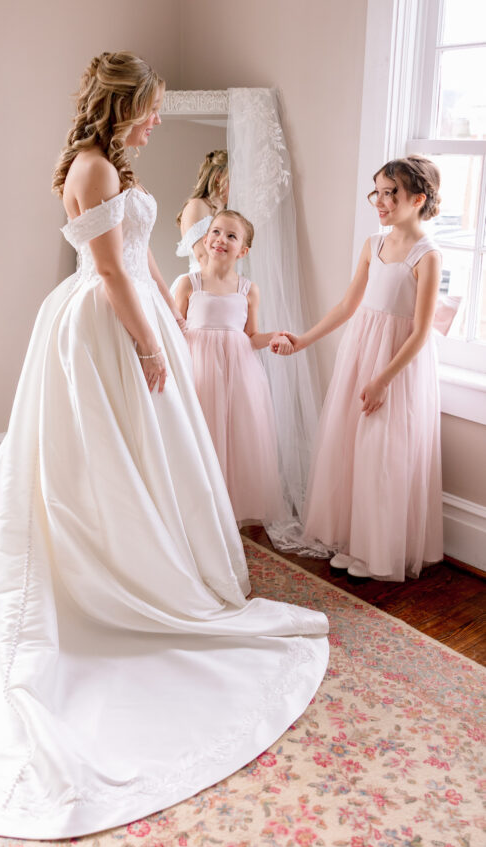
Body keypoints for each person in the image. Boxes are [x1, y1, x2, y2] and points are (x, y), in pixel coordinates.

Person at [0, 52, 328, 841]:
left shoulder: (106, 164)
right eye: (149, 109)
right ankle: (110, 570)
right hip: (105, 322)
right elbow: (111, 271)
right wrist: (147, 343)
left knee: (143, 452)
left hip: (131, 310)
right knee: (100, 457)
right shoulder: (93, 167)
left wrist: (167, 321)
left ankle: (153, 552)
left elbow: (136, 263)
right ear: (122, 106)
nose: (156, 121)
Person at [274, 155, 443, 582]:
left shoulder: (427, 255)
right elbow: (348, 306)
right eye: (378, 193)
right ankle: (353, 540)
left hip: (396, 366)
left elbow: (422, 332)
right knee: (352, 448)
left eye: (391, 194)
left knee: (382, 454)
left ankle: (376, 551)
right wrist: (302, 340)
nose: (380, 202)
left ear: (417, 199)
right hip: (361, 353)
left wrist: (383, 379)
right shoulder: (373, 245)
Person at [175, 210, 292, 525]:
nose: (221, 240)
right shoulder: (189, 284)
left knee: (235, 438)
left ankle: (228, 509)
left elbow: (251, 336)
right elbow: (174, 330)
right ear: (205, 238)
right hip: (199, 372)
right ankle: (197, 509)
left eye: (231, 236)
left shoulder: (247, 290)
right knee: (201, 435)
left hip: (237, 375)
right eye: (215, 232)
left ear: (243, 250)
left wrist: (275, 337)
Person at [172, 149, 229, 293]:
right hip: (202, 286)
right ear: (219, 177)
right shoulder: (197, 205)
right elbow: (203, 256)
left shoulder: (228, 213)